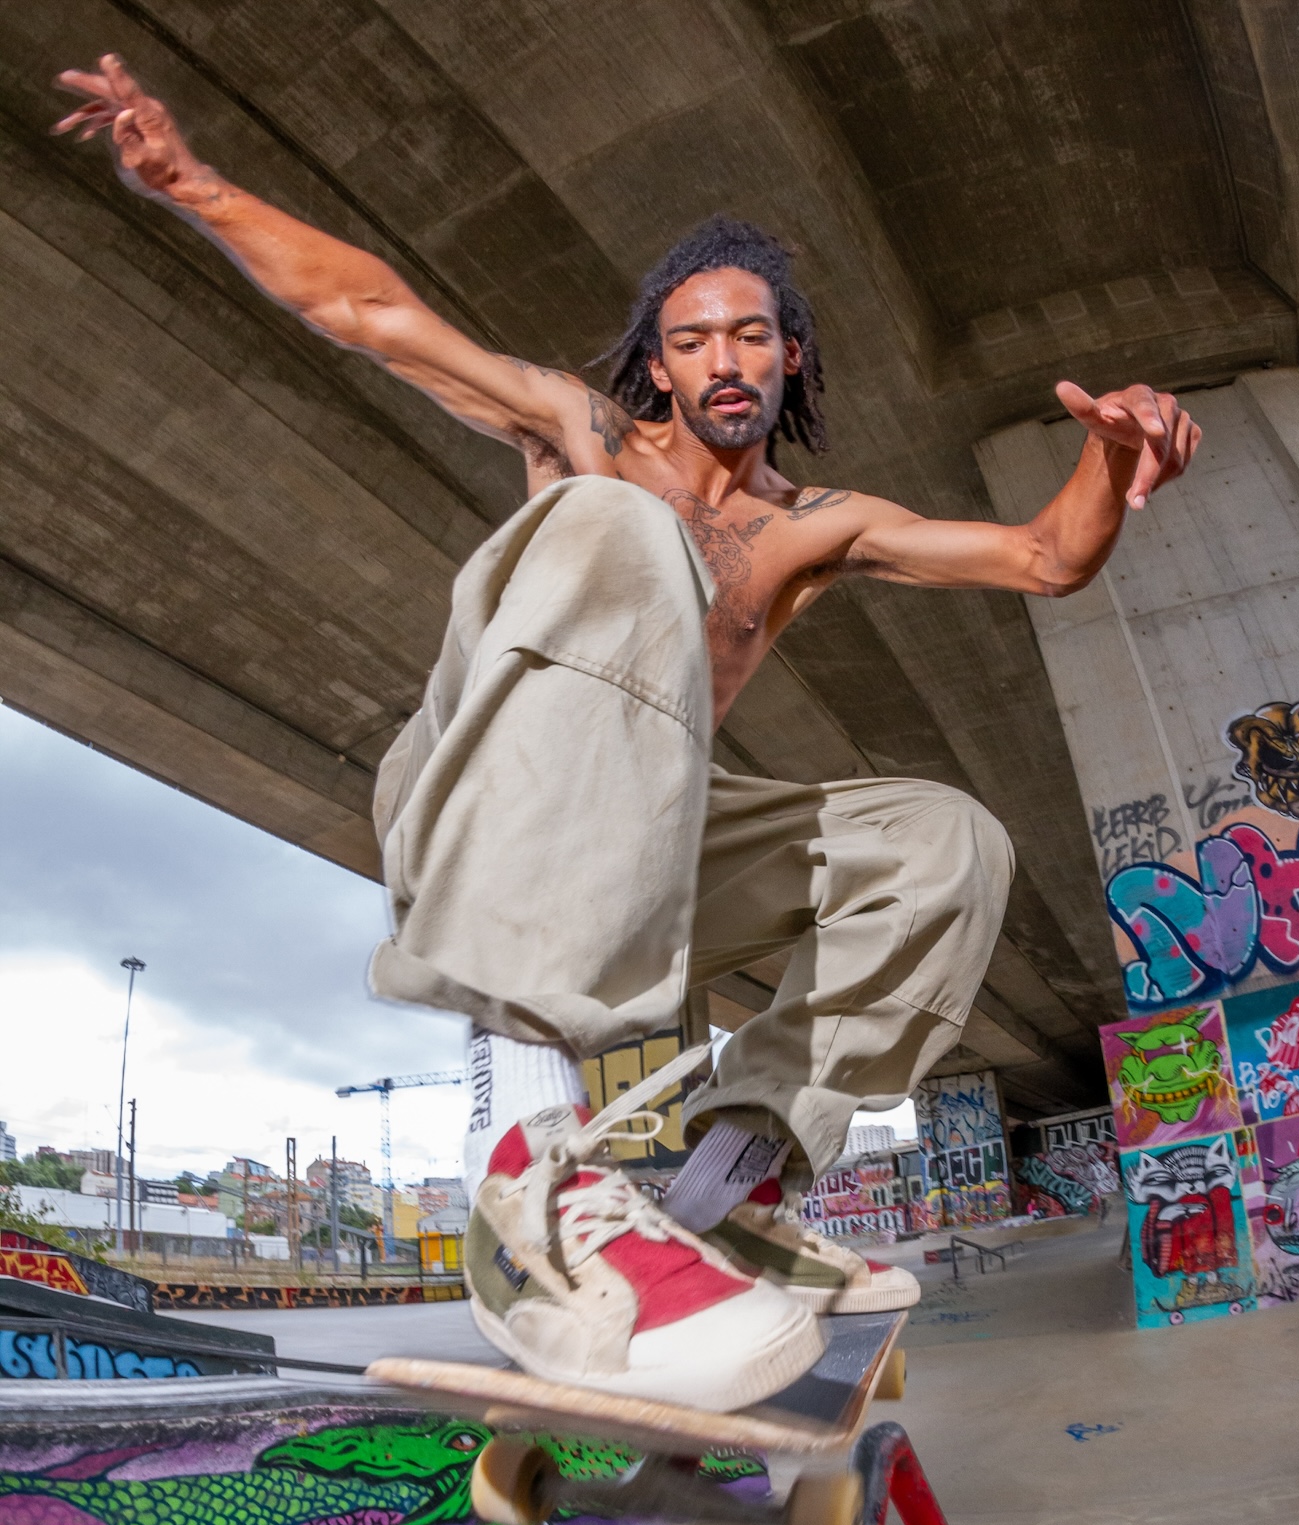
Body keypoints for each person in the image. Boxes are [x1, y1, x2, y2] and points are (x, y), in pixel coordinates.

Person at [55, 56, 1202, 1410]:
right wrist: (193, 185)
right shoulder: (577, 433)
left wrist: (1110, 465)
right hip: (488, 813)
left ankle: (734, 1183)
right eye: (697, 338)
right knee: (615, 531)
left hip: (648, 863)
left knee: (947, 843)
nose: (726, 362)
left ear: (791, 358)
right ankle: (522, 1155)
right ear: (658, 360)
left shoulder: (812, 530)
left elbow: (1040, 560)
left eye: (753, 337)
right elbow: (369, 309)